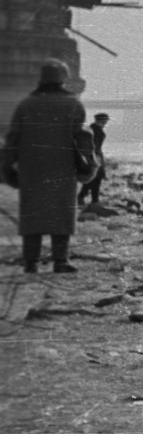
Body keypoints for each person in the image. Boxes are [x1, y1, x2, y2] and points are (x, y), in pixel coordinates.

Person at [2, 59, 96, 274]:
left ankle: (31, 262)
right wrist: (90, 165)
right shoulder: (73, 105)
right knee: (61, 215)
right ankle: (60, 260)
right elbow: (83, 139)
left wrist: (7, 168)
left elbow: (13, 140)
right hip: (62, 170)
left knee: (32, 216)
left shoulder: (26, 105)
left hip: (31, 169)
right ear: (63, 78)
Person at [79, 113, 110, 207]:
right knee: (94, 178)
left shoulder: (95, 129)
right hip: (93, 156)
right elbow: (91, 146)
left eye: (106, 121)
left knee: (96, 178)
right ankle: (89, 199)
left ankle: (91, 199)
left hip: (96, 156)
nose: (105, 123)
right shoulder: (93, 130)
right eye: (104, 121)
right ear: (99, 120)